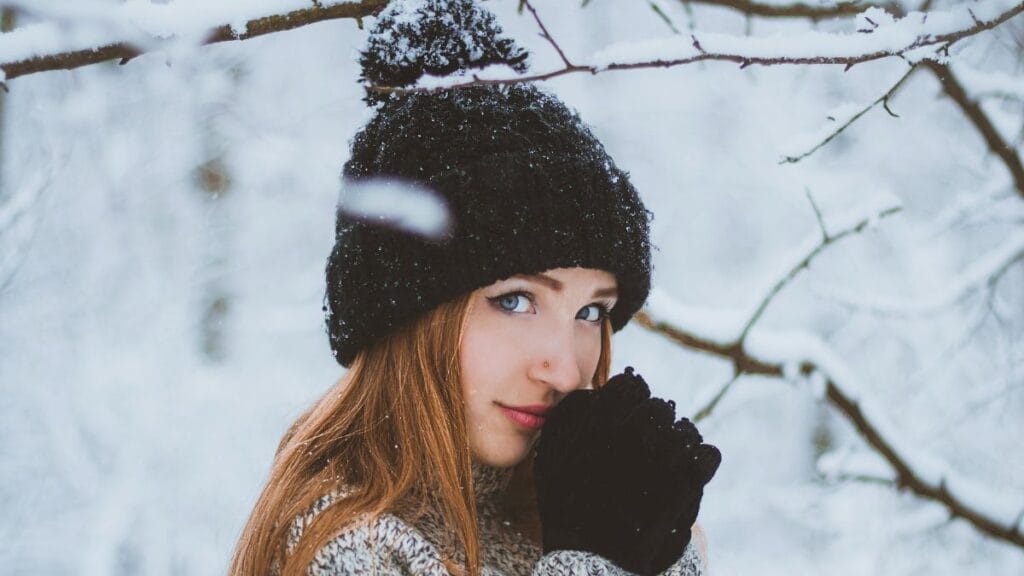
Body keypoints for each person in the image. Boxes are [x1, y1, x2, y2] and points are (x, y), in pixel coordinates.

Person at [229, 1, 721, 575]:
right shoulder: (360, 550)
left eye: (591, 312)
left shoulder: (580, 508)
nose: (565, 372)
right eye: (515, 300)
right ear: (408, 316)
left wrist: (658, 554)